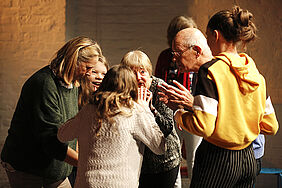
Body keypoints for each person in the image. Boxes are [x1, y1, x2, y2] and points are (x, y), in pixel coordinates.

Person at [158, 6, 279, 188]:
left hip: (217, 160)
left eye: (207, 37)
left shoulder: (211, 71)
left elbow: (203, 126)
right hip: (248, 160)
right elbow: (271, 126)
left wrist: (179, 115)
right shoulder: (253, 71)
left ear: (215, 35)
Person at [0, 36, 103, 188]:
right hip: (28, 166)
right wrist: (91, 165)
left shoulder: (73, 83)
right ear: (73, 61)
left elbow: (71, 128)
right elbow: (51, 141)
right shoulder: (44, 84)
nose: (88, 74)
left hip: (55, 167)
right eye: (87, 68)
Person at [57, 65, 166, 188]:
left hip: (87, 183)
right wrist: (146, 109)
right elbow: (159, 146)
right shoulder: (135, 112)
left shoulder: (89, 110)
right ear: (132, 87)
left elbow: (62, 135)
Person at [120, 50, 181, 188]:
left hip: (164, 161)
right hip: (138, 163)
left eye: (142, 72)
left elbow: (167, 128)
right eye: (133, 73)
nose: (138, 77)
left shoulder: (160, 88)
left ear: (149, 72)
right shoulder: (123, 90)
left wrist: (150, 108)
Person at [155, 15, 201, 186]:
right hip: (169, 112)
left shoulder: (198, 57)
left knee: (195, 156)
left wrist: (192, 105)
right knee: (172, 156)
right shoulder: (165, 56)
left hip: (192, 110)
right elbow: (158, 81)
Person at [68, 55, 109, 187]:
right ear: (85, 74)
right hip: (73, 162)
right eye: (94, 72)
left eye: (104, 74)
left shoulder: (105, 101)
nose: (99, 77)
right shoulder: (74, 97)